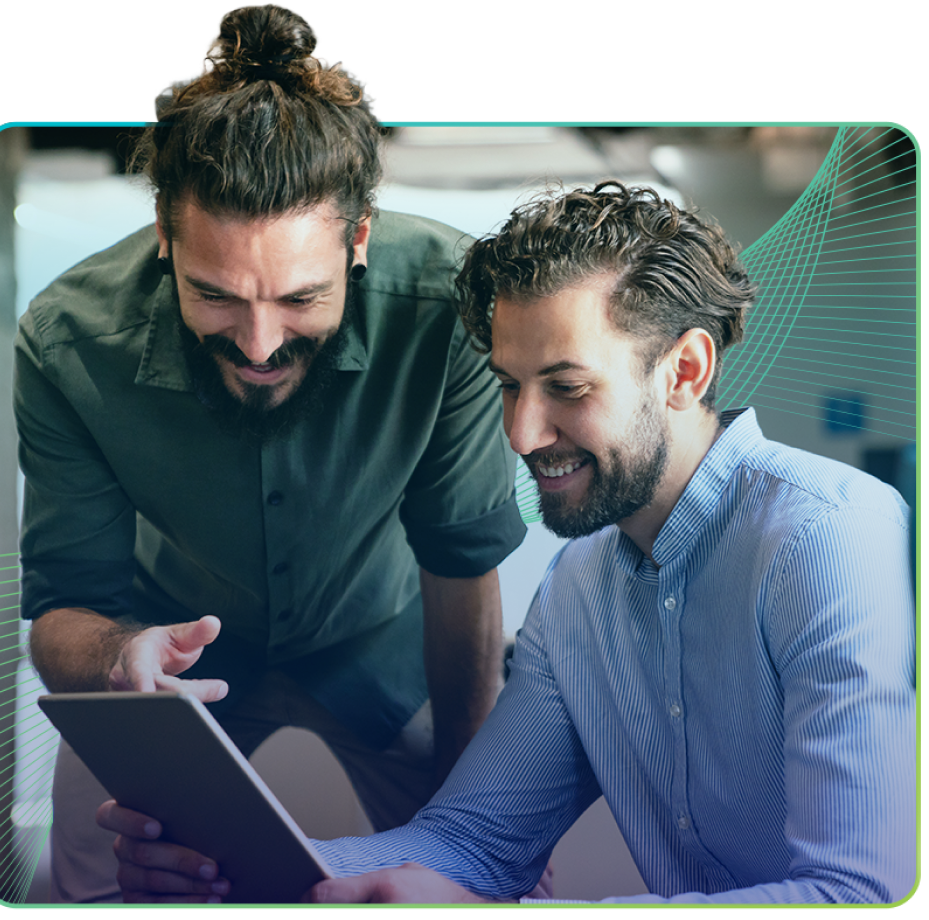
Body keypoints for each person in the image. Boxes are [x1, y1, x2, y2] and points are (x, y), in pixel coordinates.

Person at [97, 180, 916, 904]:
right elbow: (473, 841)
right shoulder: (579, 586)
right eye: (509, 386)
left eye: (566, 387)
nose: (522, 434)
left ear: (686, 371)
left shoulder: (825, 535)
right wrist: (228, 865)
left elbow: (855, 892)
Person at [16, 4, 524, 903]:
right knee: (88, 876)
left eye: (300, 298)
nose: (257, 345)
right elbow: (65, 611)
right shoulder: (66, 339)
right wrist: (120, 655)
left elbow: (461, 568)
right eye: (214, 295)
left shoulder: (454, 309)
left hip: (390, 644)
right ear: (167, 234)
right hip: (171, 661)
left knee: (490, 878)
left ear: (357, 238)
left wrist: (471, 819)